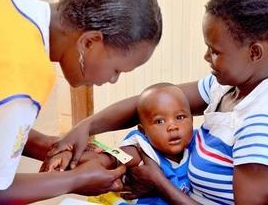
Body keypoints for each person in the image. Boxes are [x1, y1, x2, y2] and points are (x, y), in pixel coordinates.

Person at [48, 0, 268, 204]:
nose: (207, 57)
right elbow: (150, 104)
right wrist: (87, 127)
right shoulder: (227, 88)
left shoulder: (264, 125)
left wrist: (159, 183)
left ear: (255, 52)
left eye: (215, 51)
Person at [0, 0, 162, 203]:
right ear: (88, 42)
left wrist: (48, 146)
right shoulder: (24, 79)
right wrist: (75, 180)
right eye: (117, 70)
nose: (113, 80)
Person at [42, 83, 195, 205]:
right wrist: (70, 155)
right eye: (159, 121)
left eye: (180, 117)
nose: (172, 126)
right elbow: (107, 159)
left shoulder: (195, 146)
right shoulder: (141, 150)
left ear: (192, 120)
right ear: (143, 131)